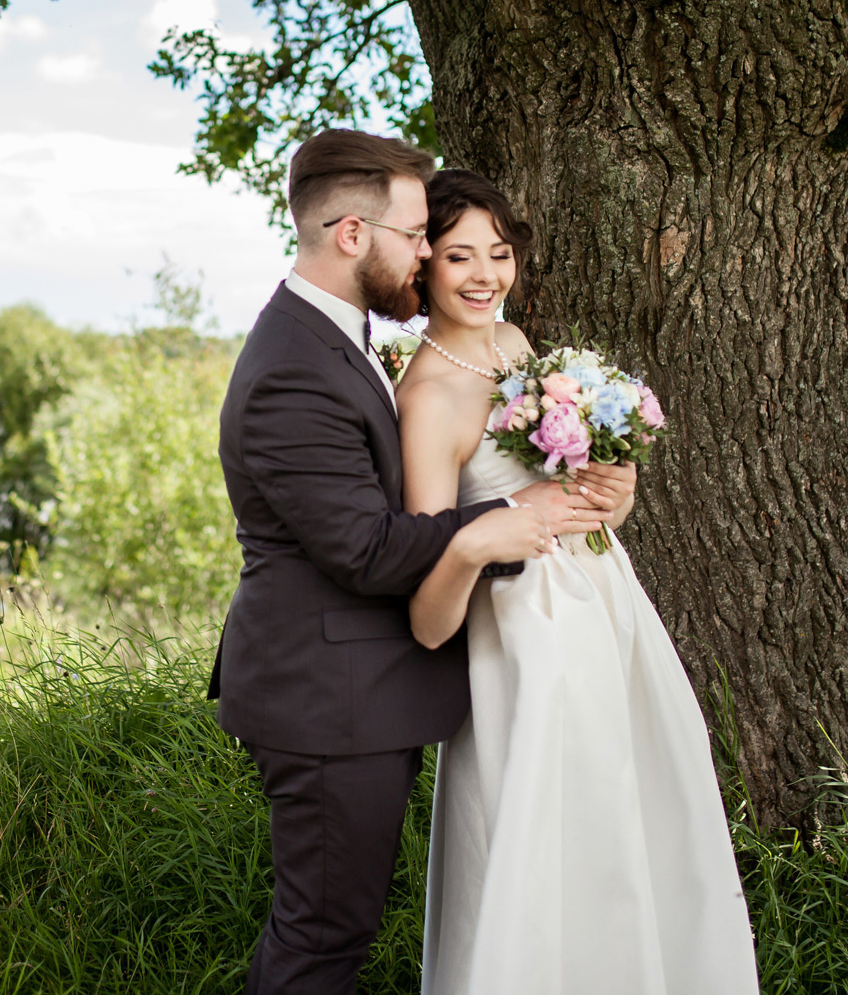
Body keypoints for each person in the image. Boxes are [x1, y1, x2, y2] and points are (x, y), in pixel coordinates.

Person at [210, 130, 627, 995]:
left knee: (334, 929)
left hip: (359, 691)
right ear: (352, 235)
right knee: (322, 936)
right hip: (325, 698)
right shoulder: (292, 368)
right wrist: (499, 520)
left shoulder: (338, 336)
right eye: (414, 236)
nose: (427, 254)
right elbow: (364, 548)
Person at [399, 169, 759, 995]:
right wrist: (495, 527)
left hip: (606, 607)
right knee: (544, 845)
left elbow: (573, 501)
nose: (485, 274)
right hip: (526, 647)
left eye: (499, 251)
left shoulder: (515, 344)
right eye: (460, 256)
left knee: (631, 825)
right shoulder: (427, 399)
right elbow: (429, 595)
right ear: (423, 263)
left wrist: (613, 494)